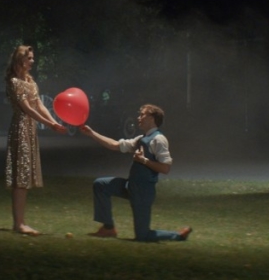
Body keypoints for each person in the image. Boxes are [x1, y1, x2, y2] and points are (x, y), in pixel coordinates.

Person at [79, 104, 192, 242]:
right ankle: (108, 228)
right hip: (131, 186)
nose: (139, 118)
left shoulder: (159, 140)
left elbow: (165, 168)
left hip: (143, 192)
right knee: (101, 185)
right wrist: (91, 133)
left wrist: (144, 160)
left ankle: (178, 236)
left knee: (142, 236)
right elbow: (115, 145)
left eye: (142, 115)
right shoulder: (141, 139)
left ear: (152, 118)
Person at [4, 45, 66, 236]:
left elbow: (39, 105)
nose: (32, 61)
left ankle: (21, 222)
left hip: (30, 129)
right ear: (21, 59)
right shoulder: (14, 82)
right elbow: (27, 109)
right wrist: (48, 124)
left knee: (25, 176)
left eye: (32, 58)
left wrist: (54, 122)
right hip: (21, 129)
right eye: (29, 58)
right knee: (21, 176)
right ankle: (19, 224)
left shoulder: (31, 82)